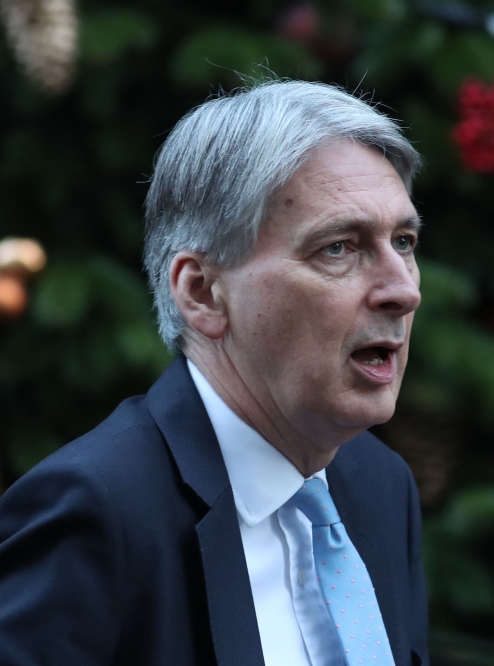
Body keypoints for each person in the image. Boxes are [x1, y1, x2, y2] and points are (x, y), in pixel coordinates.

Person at [0, 80, 429, 666]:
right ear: (201, 292)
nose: (403, 290)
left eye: (403, 241)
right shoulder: (97, 510)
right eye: (339, 248)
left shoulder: (381, 485)